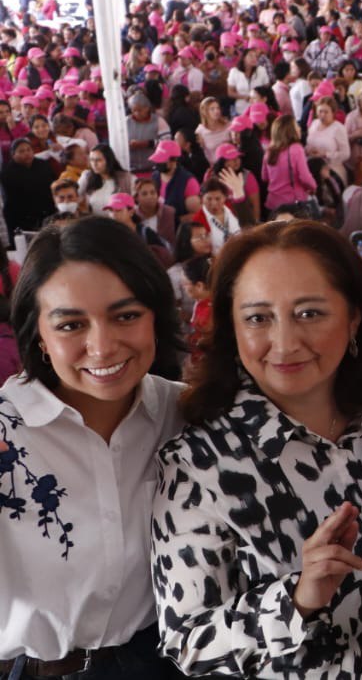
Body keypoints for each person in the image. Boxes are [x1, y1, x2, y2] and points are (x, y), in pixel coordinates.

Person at [151, 221, 362, 679]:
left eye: (309, 313)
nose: (284, 344)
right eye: (258, 318)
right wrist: (295, 600)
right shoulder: (197, 465)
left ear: (354, 316)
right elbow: (188, 644)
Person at [0, 217, 186, 680]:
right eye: (70, 324)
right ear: (38, 334)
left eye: (126, 316)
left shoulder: (183, 413)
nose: (102, 347)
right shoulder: (6, 432)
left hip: (163, 661)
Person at [260, 115, 316, 216]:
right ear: (289, 131)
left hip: (273, 204)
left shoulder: (269, 151)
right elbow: (305, 177)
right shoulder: (296, 149)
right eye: (296, 126)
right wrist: (314, 187)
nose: (299, 128)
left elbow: (264, 177)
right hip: (292, 205)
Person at [2, 138, 57, 239]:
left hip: (47, 213)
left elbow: (53, 185)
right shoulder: (7, 173)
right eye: (21, 151)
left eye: (29, 149)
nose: (26, 153)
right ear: (13, 154)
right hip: (22, 219)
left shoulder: (43, 165)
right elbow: (11, 201)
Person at [78, 144, 132, 215]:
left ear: (109, 160)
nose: (94, 164)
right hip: (94, 221)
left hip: (118, 222)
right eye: (91, 160)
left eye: (98, 160)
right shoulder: (87, 177)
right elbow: (75, 195)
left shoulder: (125, 177)